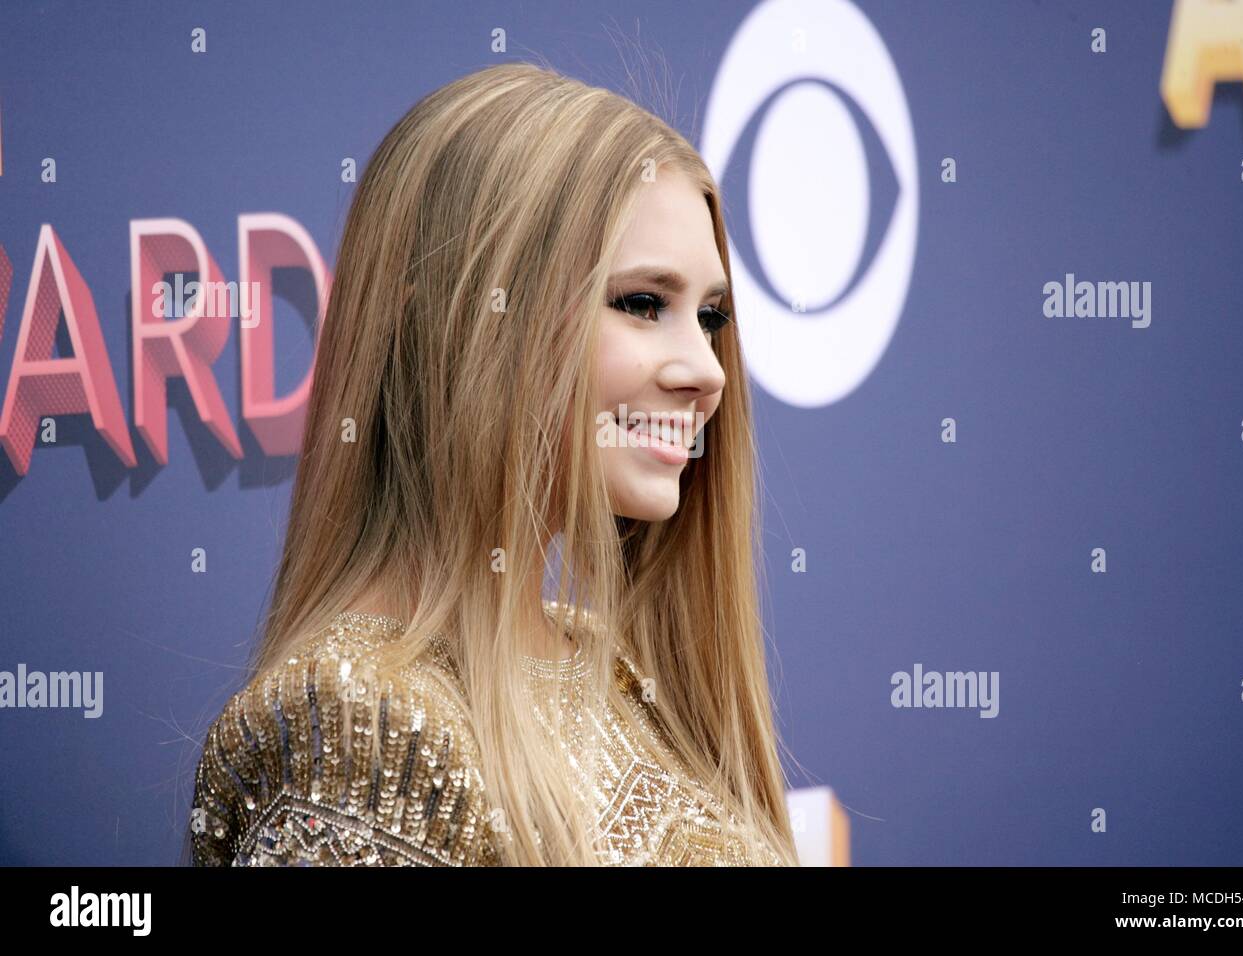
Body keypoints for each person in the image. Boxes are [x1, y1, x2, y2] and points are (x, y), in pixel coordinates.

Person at [187, 61, 798, 866]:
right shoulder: (354, 726)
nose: (708, 371)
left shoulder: (612, 671)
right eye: (643, 303)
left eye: (711, 315)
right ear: (463, 321)